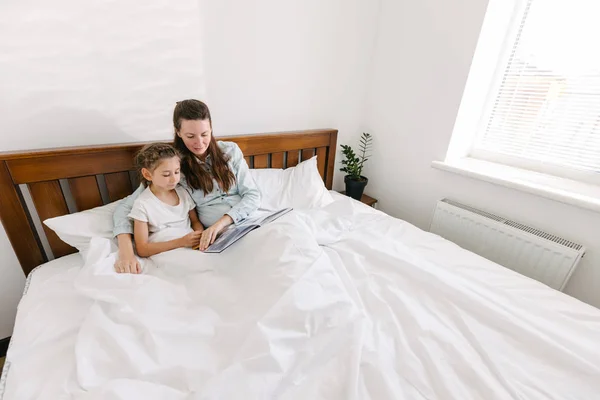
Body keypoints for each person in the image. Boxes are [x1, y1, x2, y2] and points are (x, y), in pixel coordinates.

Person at [113, 99, 261, 274]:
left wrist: (219, 224)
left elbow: (252, 195)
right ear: (178, 132)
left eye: (205, 134)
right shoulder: (173, 167)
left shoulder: (230, 151)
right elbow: (124, 207)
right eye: (190, 136)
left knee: (287, 234)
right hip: (225, 237)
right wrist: (126, 252)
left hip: (252, 220)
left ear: (211, 128)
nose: (199, 142)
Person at [127, 142, 204, 258]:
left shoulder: (183, 193)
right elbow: (142, 249)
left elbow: (195, 222)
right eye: (166, 174)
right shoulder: (142, 205)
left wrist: (200, 235)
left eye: (177, 172)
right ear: (147, 174)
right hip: (167, 252)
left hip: (191, 247)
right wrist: (181, 242)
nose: (174, 179)